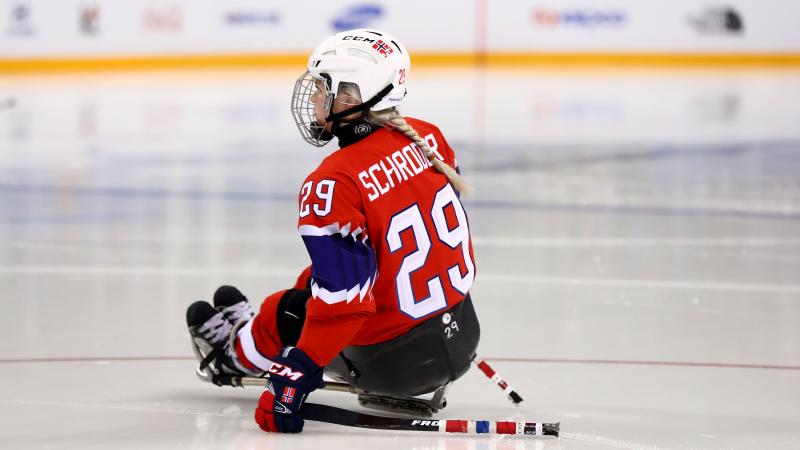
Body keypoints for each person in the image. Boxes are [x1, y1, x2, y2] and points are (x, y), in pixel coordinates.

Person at [186, 29, 480, 434]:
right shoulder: (427, 134)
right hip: (460, 333)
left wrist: (298, 374)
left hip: (393, 364)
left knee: (289, 309)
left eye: (323, 89)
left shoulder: (332, 183)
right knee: (318, 278)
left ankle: (231, 355)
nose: (315, 100)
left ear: (352, 96)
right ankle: (252, 336)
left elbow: (345, 304)